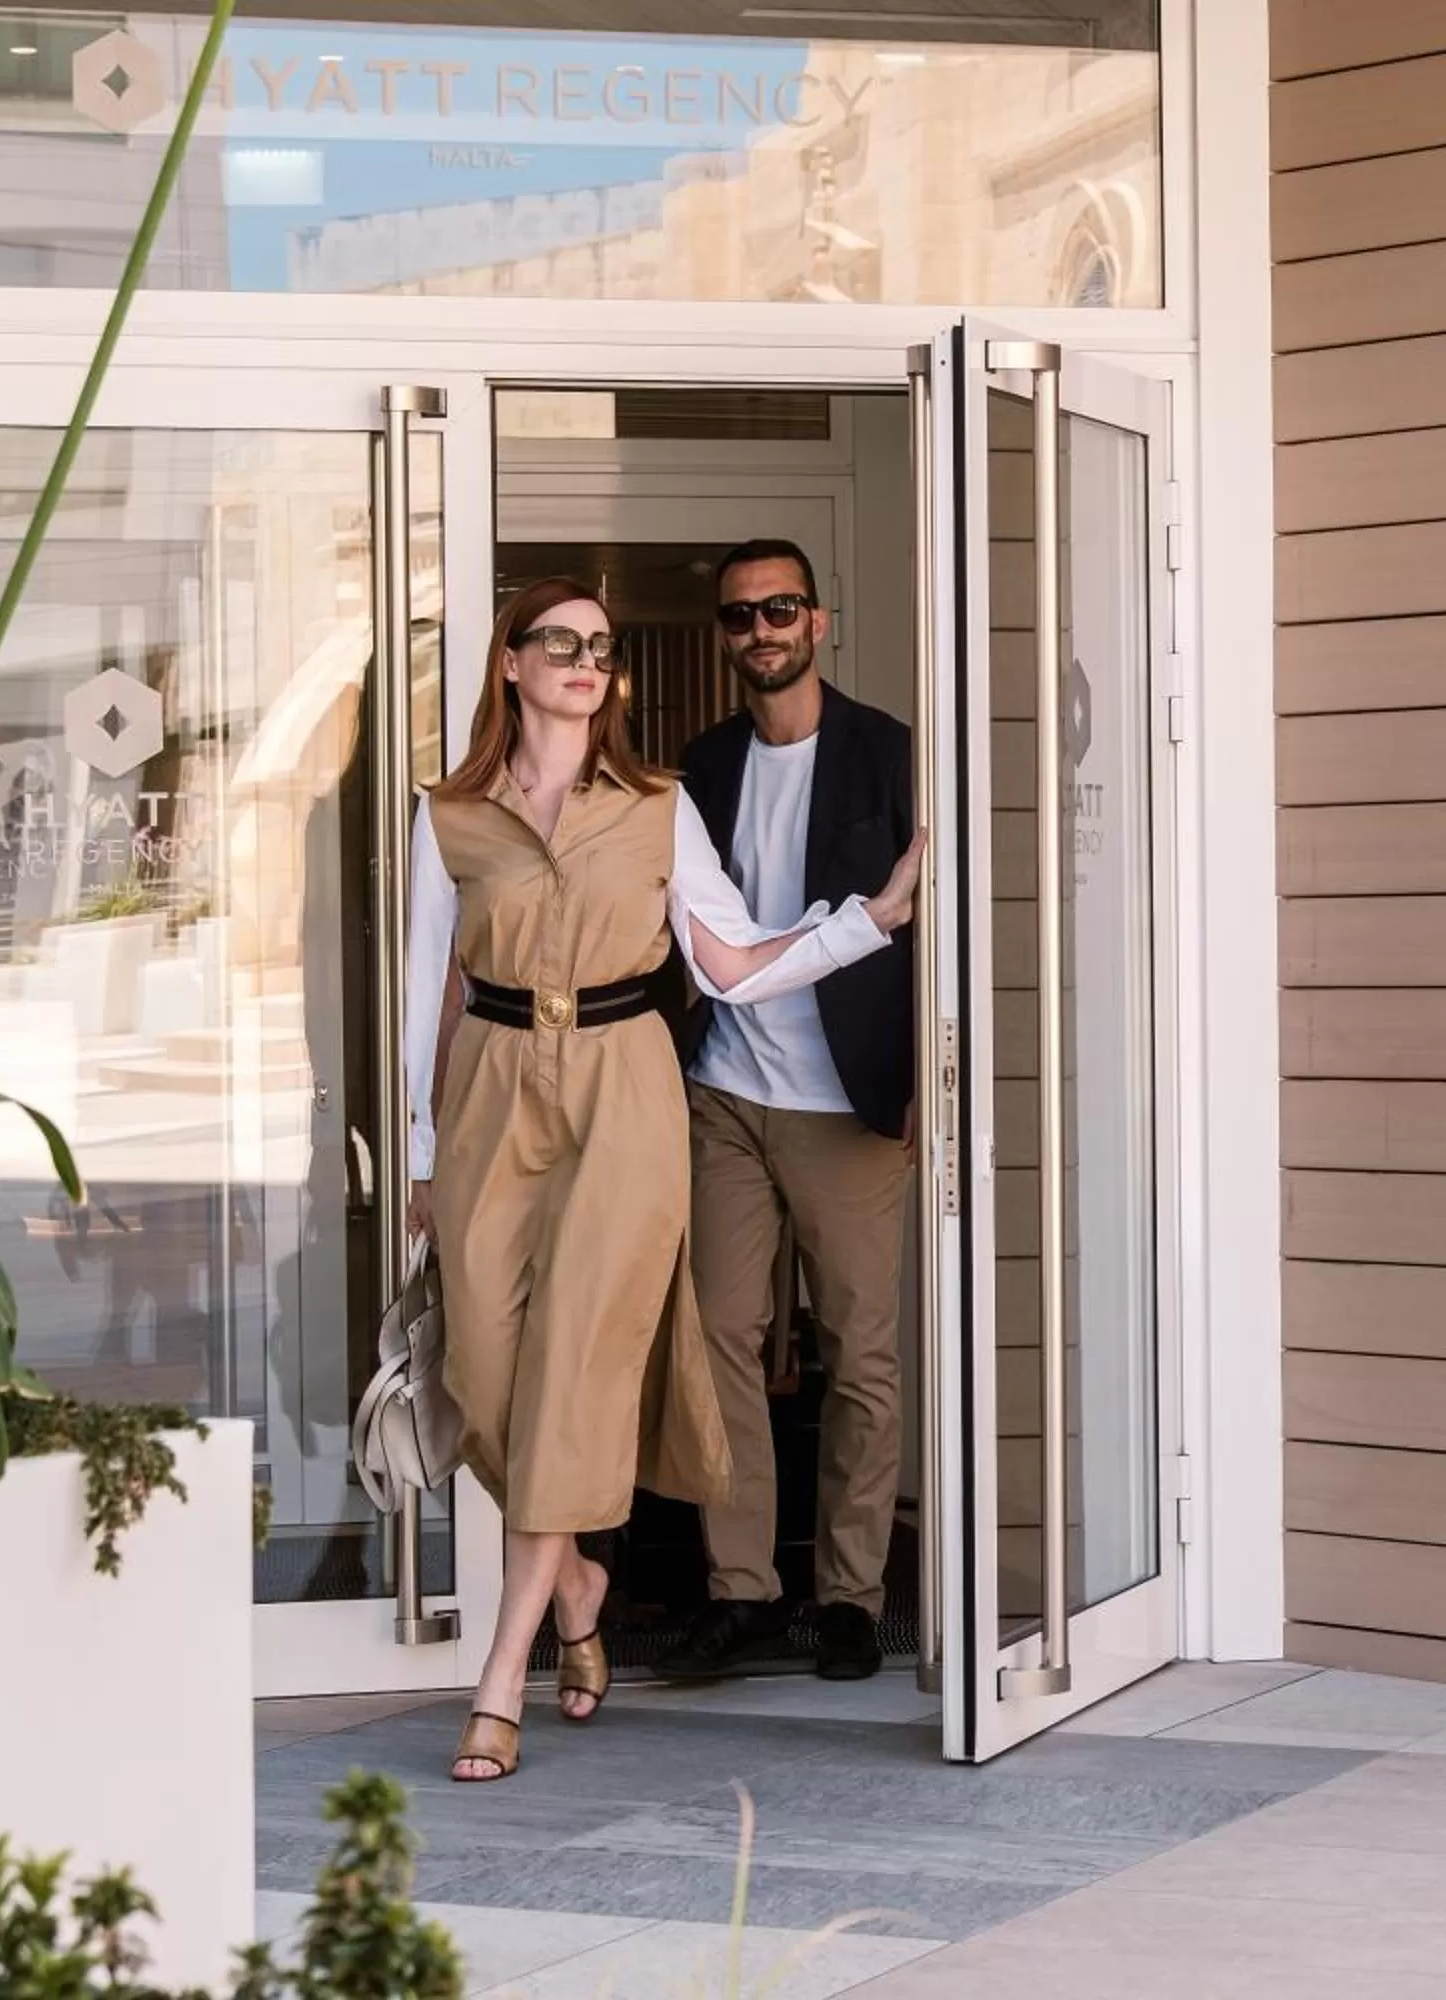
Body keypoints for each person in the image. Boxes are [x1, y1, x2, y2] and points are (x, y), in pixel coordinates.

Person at [403, 576, 923, 1783]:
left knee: (578, 1370)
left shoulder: (656, 805)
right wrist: (425, 1155)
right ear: (512, 666)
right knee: (484, 1381)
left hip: (622, 1089)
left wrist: (871, 920)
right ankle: (579, 1579)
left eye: (601, 645)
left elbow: (731, 962)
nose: (586, 660)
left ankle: (502, 1673)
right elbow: (428, 988)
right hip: (491, 1085)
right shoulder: (450, 815)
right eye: (561, 643)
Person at [654, 539, 918, 1686]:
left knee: (859, 1353)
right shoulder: (700, 766)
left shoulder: (893, 754)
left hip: (848, 1104)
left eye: (781, 609)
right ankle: (741, 1588)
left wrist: (919, 1075)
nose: (761, 628)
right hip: (727, 1092)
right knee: (717, 1345)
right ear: (725, 638)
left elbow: (933, 928)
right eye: (740, 615)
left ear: (820, 621)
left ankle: (852, 1594)